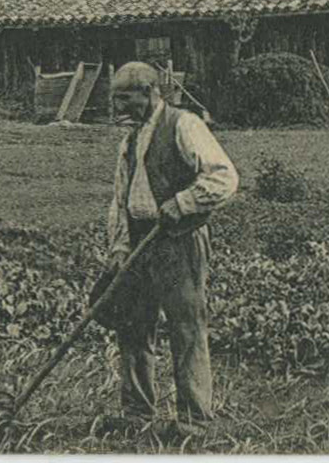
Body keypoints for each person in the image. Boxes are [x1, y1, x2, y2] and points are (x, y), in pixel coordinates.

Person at [100, 60, 238, 428]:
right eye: (116, 100)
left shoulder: (184, 125)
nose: (118, 108)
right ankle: (136, 414)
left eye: (125, 98)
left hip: (178, 241)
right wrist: (118, 245)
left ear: (149, 91)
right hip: (138, 241)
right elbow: (120, 198)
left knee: (186, 327)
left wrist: (182, 203)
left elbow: (224, 178)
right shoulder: (129, 139)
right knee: (132, 326)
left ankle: (194, 420)